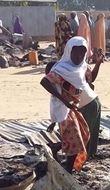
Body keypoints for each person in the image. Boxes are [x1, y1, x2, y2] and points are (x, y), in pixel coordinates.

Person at [40, 37, 101, 171]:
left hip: (74, 108)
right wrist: (64, 100)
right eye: (75, 53)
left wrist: (99, 63)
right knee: (75, 140)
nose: (79, 56)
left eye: (82, 53)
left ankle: (66, 162)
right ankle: (68, 170)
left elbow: (91, 79)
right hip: (64, 109)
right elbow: (44, 82)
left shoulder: (83, 67)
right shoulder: (61, 69)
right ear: (69, 52)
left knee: (84, 135)